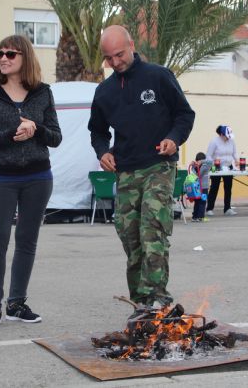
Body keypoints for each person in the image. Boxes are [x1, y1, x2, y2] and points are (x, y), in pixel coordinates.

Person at [88, 25, 195, 310]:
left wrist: (173, 139)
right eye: (109, 58)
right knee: (131, 238)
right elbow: (97, 132)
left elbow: (185, 115)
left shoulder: (159, 76)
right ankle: (141, 303)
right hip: (126, 172)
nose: (115, 62)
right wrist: (102, 152)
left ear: (132, 45)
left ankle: (158, 300)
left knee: (153, 231)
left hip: (159, 166)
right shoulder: (104, 91)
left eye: (120, 54)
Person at [0, 35, 62, 329]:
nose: (3, 58)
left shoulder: (43, 93)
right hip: (1, 177)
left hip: (38, 176)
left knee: (27, 241)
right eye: (0, 53)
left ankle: (17, 304)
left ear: (25, 57)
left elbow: (56, 137)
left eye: (10, 53)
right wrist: (13, 131)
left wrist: (35, 129)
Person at [206, 125, 239, 216]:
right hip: (217, 168)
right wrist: (212, 165)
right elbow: (208, 155)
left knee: (228, 188)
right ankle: (209, 208)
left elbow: (234, 152)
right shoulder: (214, 142)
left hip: (228, 167)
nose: (228, 138)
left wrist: (237, 160)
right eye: (226, 136)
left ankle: (227, 208)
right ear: (221, 134)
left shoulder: (231, 141)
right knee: (214, 187)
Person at [188, 152, 213, 222]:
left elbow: (211, 162)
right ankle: (200, 217)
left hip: (197, 188)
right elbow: (211, 162)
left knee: (198, 202)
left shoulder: (198, 166)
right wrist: (197, 163)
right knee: (202, 201)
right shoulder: (205, 166)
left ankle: (195, 217)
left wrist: (198, 162)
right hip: (203, 188)